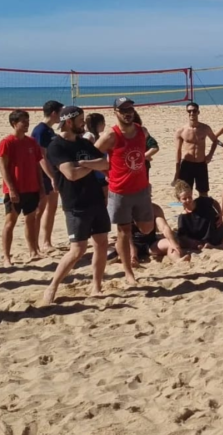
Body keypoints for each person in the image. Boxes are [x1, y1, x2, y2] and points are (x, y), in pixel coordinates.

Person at [43, 106, 111, 304]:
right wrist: (89, 165)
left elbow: (104, 163)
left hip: (96, 199)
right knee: (77, 250)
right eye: (80, 119)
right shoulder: (56, 146)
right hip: (75, 203)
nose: (84, 123)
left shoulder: (83, 143)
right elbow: (71, 175)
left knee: (101, 243)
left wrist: (84, 164)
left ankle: (96, 286)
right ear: (69, 121)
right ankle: (53, 285)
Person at [95, 97, 154, 284]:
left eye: (130, 108)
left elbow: (148, 152)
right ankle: (128, 273)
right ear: (115, 112)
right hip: (119, 191)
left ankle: (131, 223)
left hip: (141, 189)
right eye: (123, 110)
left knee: (147, 228)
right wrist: (107, 171)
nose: (127, 112)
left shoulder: (142, 132)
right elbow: (92, 155)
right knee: (123, 231)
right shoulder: (110, 136)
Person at [0, 110, 45, 267]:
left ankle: (33, 251)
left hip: (31, 188)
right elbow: (3, 167)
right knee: (10, 222)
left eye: (27, 120)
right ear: (14, 123)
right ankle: (6, 257)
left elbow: (38, 166)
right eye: (23, 121)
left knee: (30, 220)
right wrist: (11, 188)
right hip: (15, 189)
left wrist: (41, 187)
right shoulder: (7, 142)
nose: (26, 123)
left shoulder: (31, 142)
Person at [32, 100, 63, 252]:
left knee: (51, 208)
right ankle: (35, 245)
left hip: (52, 173)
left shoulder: (50, 131)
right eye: (60, 112)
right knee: (39, 210)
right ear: (53, 113)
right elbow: (40, 157)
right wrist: (51, 176)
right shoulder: (40, 131)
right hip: (41, 175)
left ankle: (46, 242)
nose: (61, 116)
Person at [173, 102, 218, 197]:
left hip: (201, 164)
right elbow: (178, 151)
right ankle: (188, 211)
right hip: (186, 165)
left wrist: (210, 155)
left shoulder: (205, 128)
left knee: (203, 192)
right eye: (189, 111)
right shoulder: (181, 131)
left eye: (194, 111)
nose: (192, 113)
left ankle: (202, 211)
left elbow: (215, 141)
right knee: (185, 192)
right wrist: (177, 171)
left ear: (198, 112)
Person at [175, 180, 223, 249]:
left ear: (191, 194)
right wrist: (194, 243)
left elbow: (215, 203)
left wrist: (220, 214)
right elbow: (182, 237)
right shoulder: (183, 218)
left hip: (220, 233)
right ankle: (218, 247)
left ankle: (218, 247)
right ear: (179, 200)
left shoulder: (202, 201)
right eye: (184, 199)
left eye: (189, 197)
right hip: (205, 241)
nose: (188, 200)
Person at [84, 112, 108, 201]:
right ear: (99, 124)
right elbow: (87, 154)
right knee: (103, 199)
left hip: (100, 172)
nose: (105, 125)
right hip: (97, 174)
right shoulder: (90, 136)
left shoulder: (96, 136)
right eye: (103, 122)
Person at [133, 110, 160, 180]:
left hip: (142, 167)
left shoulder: (142, 131)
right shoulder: (118, 132)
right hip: (126, 168)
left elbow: (154, 147)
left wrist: (142, 157)